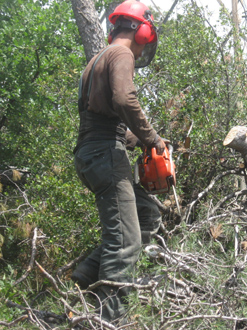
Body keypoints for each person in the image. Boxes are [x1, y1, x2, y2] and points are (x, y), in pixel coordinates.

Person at [71, 0, 165, 323]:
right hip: (105, 156)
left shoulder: (96, 60)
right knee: (126, 244)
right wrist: (153, 138)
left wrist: (140, 141)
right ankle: (108, 321)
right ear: (141, 31)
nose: (142, 51)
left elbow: (103, 119)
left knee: (147, 212)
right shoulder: (121, 53)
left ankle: (81, 279)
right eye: (145, 42)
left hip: (90, 153)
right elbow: (125, 99)